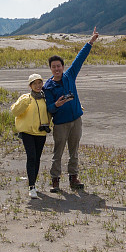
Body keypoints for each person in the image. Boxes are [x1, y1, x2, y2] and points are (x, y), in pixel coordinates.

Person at [43, 27, 99, 192]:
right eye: (53, 67)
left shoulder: (69, 76)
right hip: (60, 124)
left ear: (62, 66)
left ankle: (73, 178)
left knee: (74, 151)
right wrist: (56, 105)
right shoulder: (48, 86)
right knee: (57, 153)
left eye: (59, 66)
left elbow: (80, 58)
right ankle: (55, 181)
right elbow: (49, 107)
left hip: (76, 121)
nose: (57, 69)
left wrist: (91, 41)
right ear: (50, 69)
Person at [10, 73, 52, 199]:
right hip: (27, 132)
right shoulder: (25, 97)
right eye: (35, 84)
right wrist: (24, 102)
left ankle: (34, 183)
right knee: (31, 157)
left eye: (40, 83)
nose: (38, 86)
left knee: (37, 158)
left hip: (41, 132)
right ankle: (31, 186)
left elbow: (51, 112)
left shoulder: (45, 98)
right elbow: (14, 111)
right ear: (30, 86)